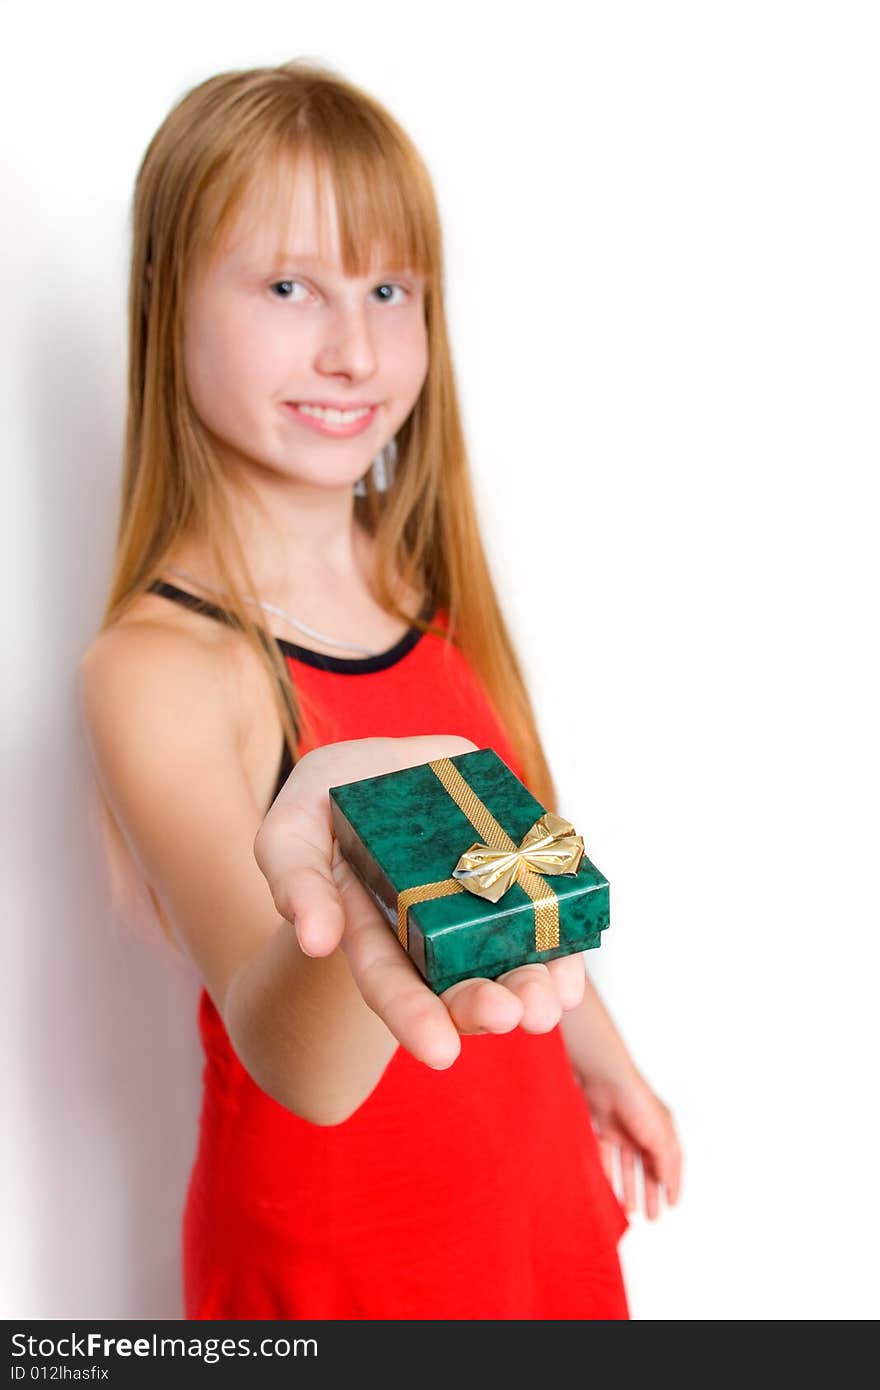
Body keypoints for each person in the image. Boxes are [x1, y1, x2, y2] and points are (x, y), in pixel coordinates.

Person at [78, 58, 682, 1321]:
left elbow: (509, 880)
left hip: (533, 1215)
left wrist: (601, 1061)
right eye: (289, 284)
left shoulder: (427, 594)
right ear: (162, 299)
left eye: (389, 288)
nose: (353, 348)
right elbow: (283, 1039)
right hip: (347, 1273)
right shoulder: (161, 666)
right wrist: (351, 904)